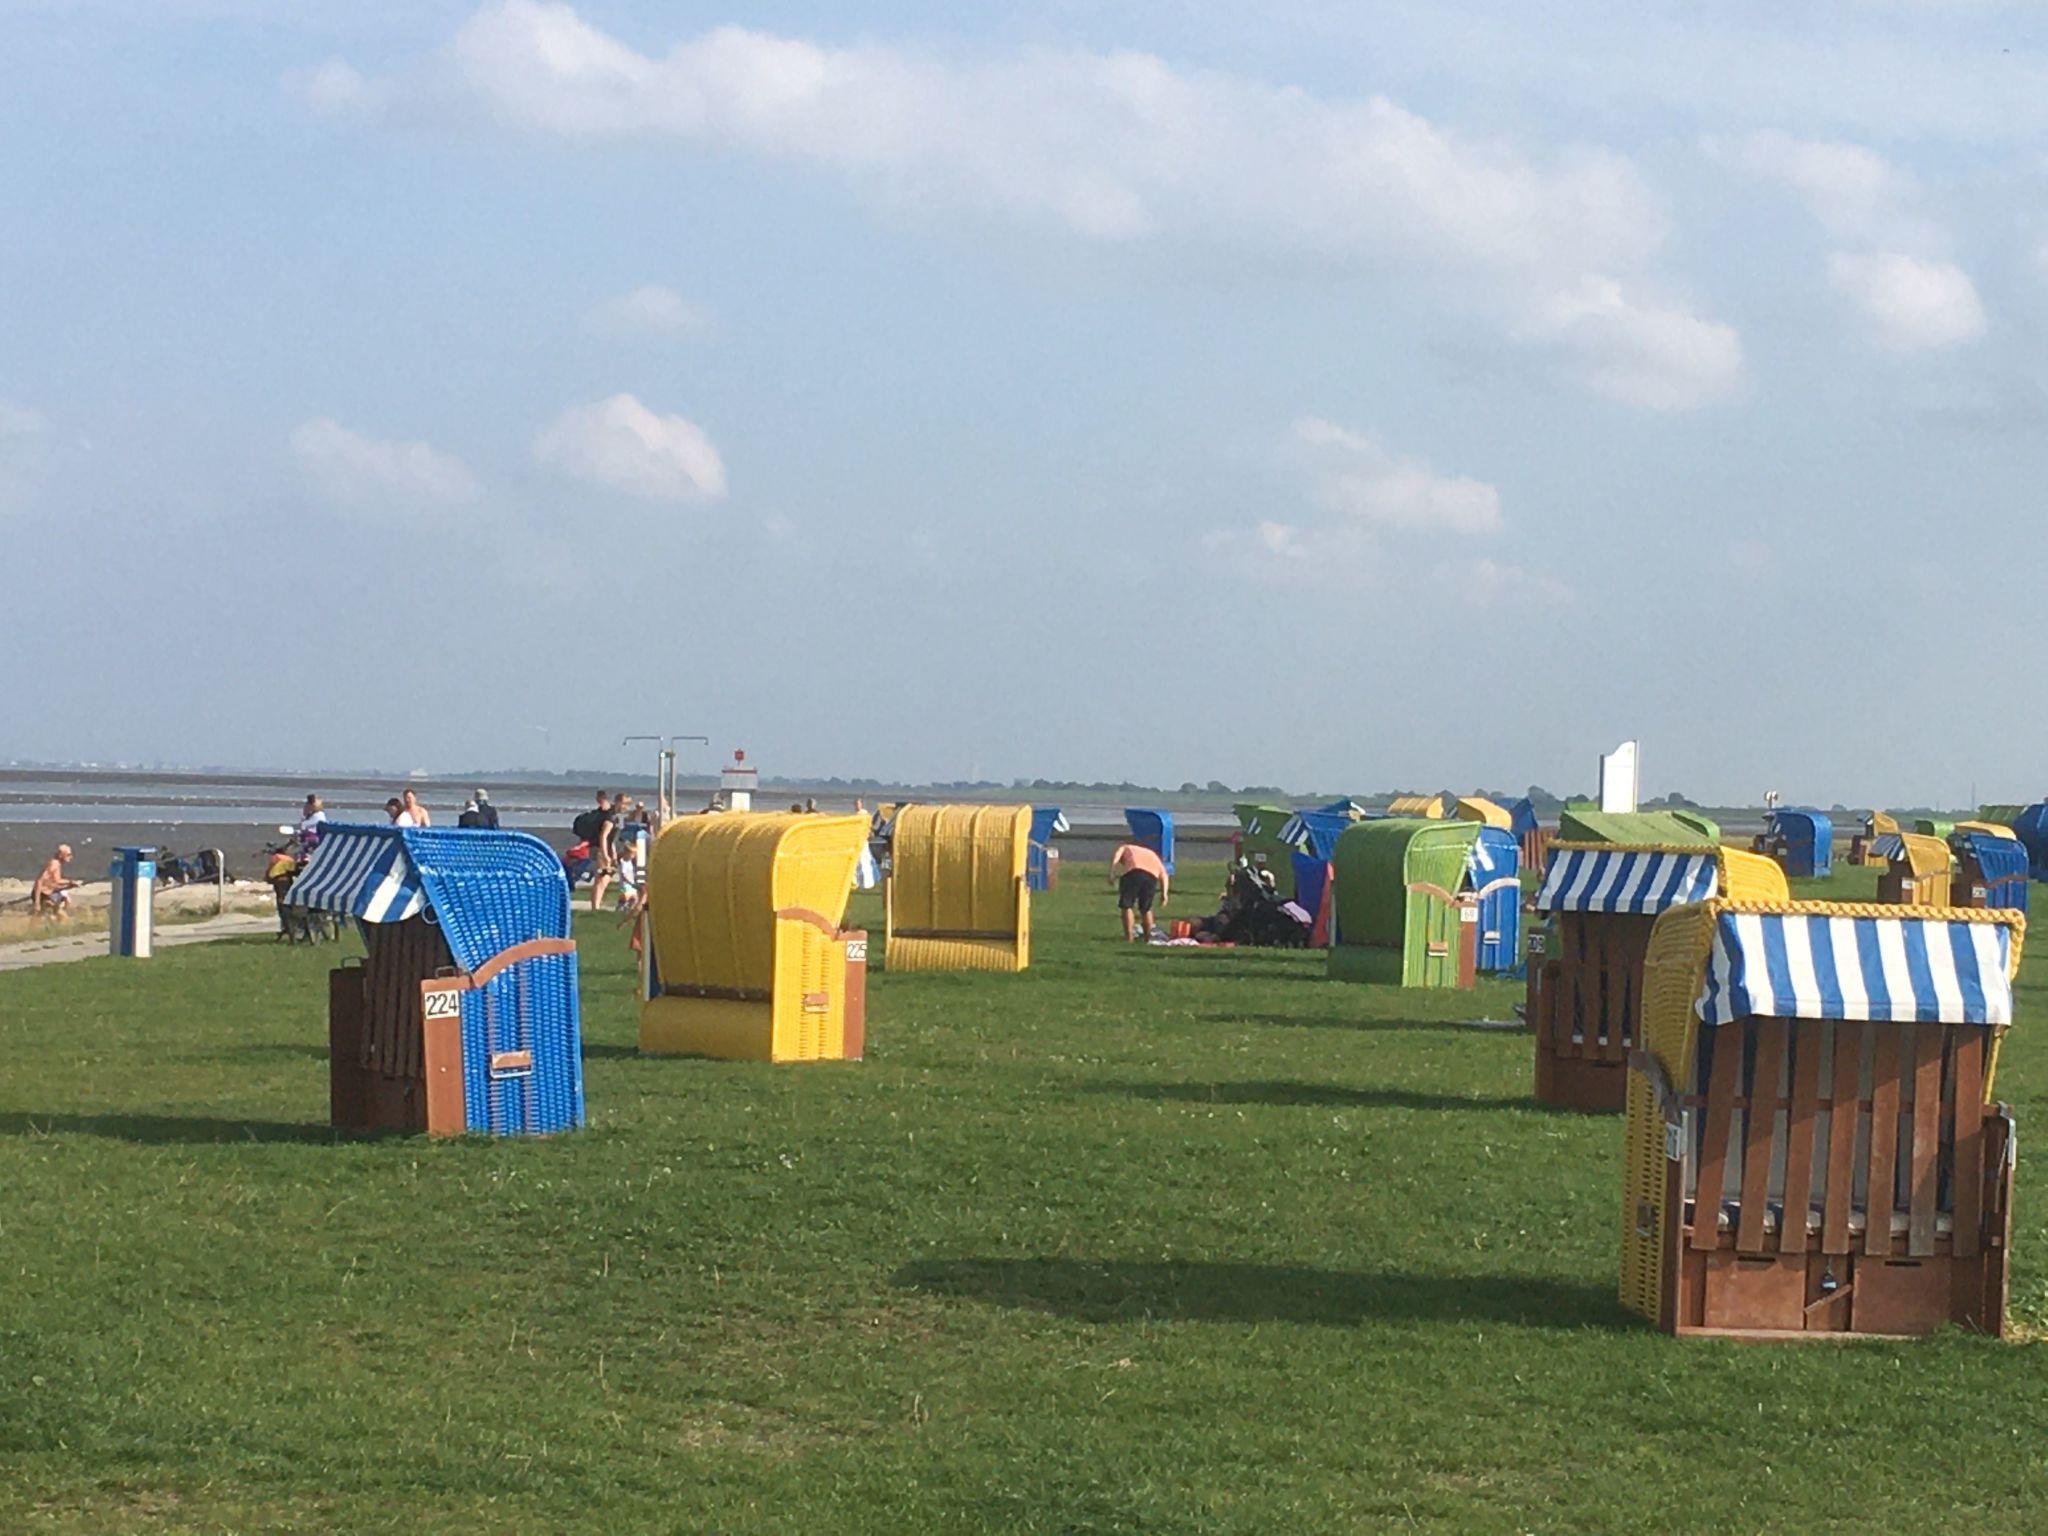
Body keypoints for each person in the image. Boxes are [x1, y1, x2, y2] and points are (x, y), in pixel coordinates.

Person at [1109, 840, 1170, 942]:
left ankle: (1129, 938)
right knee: (1146, 909)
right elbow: (1163, 874)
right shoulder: (1152, 854)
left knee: (1126, 905)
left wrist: (1112, 872)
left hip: (1133, 873)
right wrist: (1164, 894)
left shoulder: (1126, 847)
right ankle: (1148, 938)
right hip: (1151, 878)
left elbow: (1116, 856)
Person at [572, 791, 617, 912]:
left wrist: (612, 851)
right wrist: (606, 855)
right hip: (599, 849)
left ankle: (596, 905)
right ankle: (595, 906)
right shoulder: (607, 816)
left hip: (597, 848)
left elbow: (610, 838)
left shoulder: (600, 815)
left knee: (602, 877)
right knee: (602, 877)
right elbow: (603, 836)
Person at [30, 844, 77, 920]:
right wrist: (37, 902)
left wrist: (69, 884)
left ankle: (34, 926)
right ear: (61, 855)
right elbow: (39, 881)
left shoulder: (57, 864)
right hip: (42, 895)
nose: (70, 857)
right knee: (62, 917)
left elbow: (55, 882)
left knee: (39, 917)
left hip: (48, 894)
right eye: (68, 855)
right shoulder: (53, 864)